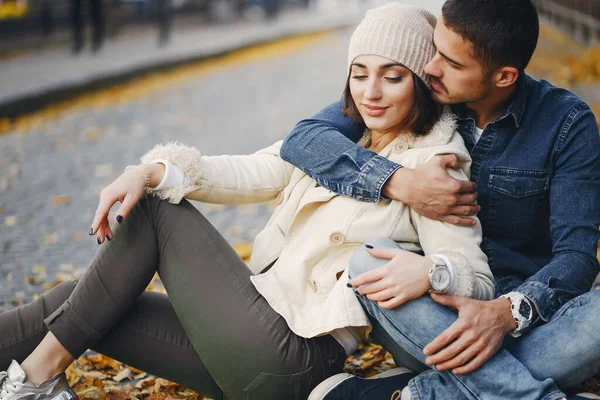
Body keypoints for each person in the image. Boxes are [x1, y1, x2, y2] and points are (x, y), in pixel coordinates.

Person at [0, 4, 494, 400]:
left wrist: (430, 272)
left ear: (421, 83)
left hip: (294, 354)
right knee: (83, 301)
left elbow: (476, 277)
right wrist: (147, 169)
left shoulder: (437, 164)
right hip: (250, 341)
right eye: (360, 74)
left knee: (153, 211)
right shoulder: (344, 141)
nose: (371, 92)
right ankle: (31, 379)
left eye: (392, 76)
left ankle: (36, 380)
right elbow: (247, 171)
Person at [279, 1, 600, 400]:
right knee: (369, 260)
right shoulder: (416, 92)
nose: (430, 67)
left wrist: (504, 314)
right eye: (435, 50)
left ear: (504, 76)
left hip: (526, 318)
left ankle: (418, 393)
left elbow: (577, 257)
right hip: (428, 313)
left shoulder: (566, 123)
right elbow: (304, 140)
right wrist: (399, 181)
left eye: (451, 62)